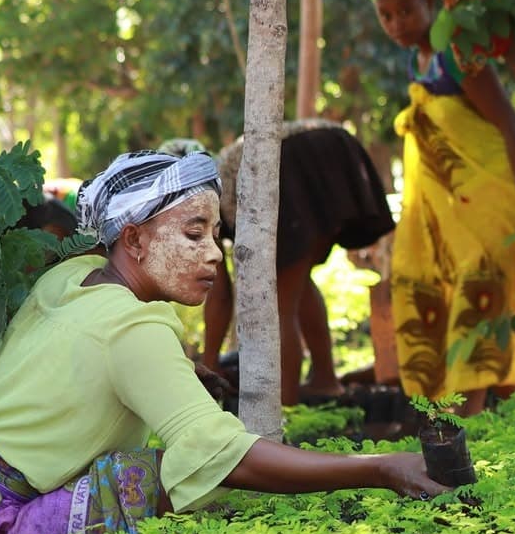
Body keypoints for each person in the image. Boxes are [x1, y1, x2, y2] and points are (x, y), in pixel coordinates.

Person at [0, 150, 445, 534]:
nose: (212, 256)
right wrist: (381, 467)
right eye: (192, 234)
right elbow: (230, 458)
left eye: (214, 235)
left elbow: (96, 340)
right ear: (133, 240)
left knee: (158, 473)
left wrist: (183, 364)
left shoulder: (73, 276)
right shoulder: (133, 334)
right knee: (168, 476)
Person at [365, 0, 515, 416]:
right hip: (454, 216)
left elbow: (509, 125)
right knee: (436, 293)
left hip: (496, 204)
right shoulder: (420, 59)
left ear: (431, 0)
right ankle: (466, 421)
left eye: (406, 9)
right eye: (385, 15)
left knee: (483, 294)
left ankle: (471, 422)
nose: (396, 23)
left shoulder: (457, 54)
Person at [162, 124, 395, 407]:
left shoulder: (204, 195)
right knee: (297, 282)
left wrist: (209, 362)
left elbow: (220, 295)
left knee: (276, 303)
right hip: (331, 145)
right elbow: (221, 291)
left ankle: (284, 408)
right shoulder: (222, 169)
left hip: (294, 159)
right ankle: (325, 379)